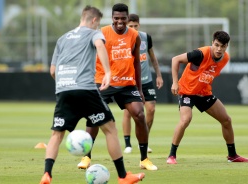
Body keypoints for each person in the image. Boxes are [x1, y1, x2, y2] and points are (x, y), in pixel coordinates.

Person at [39, 5, 145, 184]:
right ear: (94, 20)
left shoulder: (62, 38)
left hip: (63, 89)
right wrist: (108, 73)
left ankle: (47, 174)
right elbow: (99, 46)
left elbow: (52, 70)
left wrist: (66, 82)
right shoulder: (94, 33)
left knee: (56, 135)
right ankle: (123, 176)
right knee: (110, 129)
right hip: (86, 88)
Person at [77, 3, 158, 171]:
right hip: (104, 81)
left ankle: (144, 159)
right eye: (116, 19)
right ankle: (86, 157)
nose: (120, 22)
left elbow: (137, 62)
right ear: (112, 18)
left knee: (139, 114)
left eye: (123, 19)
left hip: (127, 83)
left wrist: (140, 90)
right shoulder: (101, 33)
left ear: (127, 18)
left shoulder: (134, 35)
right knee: (94, 117)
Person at [166, 30, 248, 164]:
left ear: (226, 46)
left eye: (222, 46)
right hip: (187, 92)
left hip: (204, 93)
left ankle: (232, 155)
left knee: (226, 120)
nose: (219, 49)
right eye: (216, 45)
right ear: (212, 43)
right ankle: (172, 156)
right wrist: (175, 82)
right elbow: (175, 59)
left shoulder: (225, 58)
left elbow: (206, 74)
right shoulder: (200, 54)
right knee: (185, 119)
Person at [122, 13, 163, 154]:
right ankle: (128, 144)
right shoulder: (122, 39)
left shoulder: (146, 37)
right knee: (129, 112)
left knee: (151, 109)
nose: (133, 28)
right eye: (130, 26)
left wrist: (158, 75)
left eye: (135, 26)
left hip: (146, 80)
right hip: (129, 81)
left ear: (139, 25)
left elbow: (152, 57)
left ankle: (145, 140)